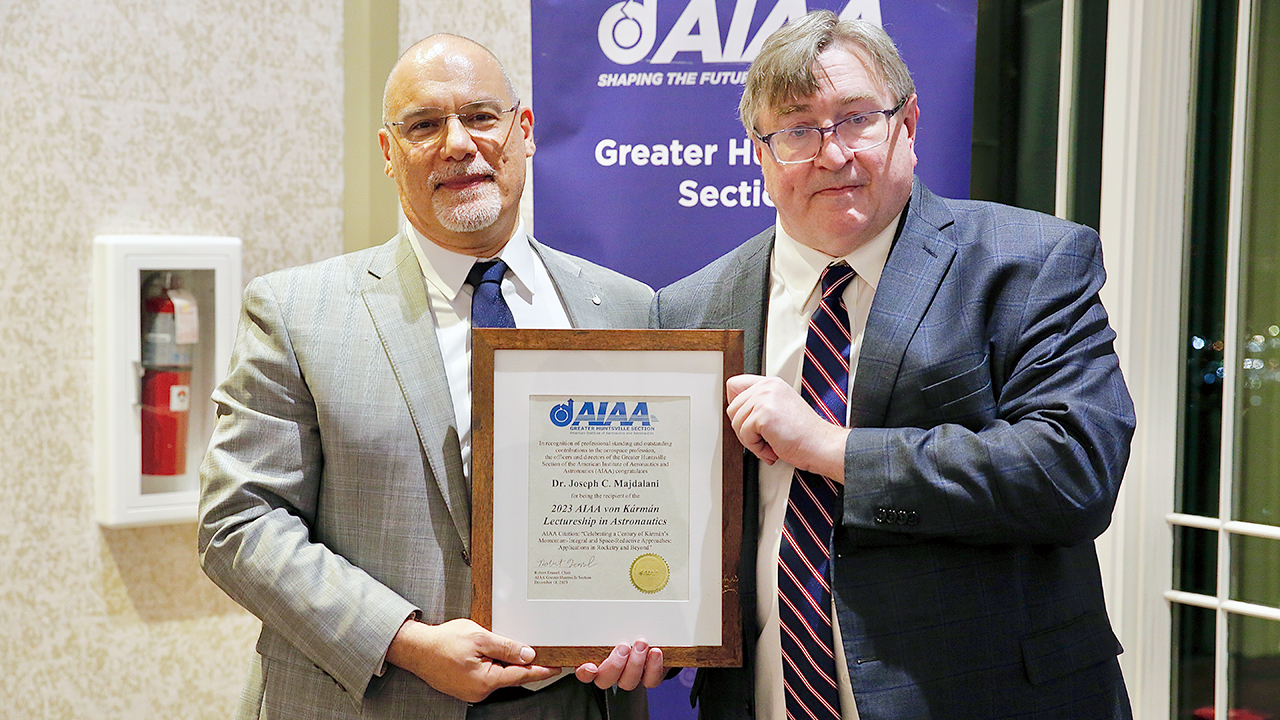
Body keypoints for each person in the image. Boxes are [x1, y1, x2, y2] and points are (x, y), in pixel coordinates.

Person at [651, 11, 1135, 720]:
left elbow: (1073, 472)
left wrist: (831, 449)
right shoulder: (691, 308)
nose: (831, 153)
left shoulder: (1028, 262)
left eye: (855, 119)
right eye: (796, 129)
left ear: (907, 125)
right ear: (761, 152)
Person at [198, 33, 663, 719]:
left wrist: (654, 625)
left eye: (480, 116)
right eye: (423, 125)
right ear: (389, 154)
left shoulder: (628, 307)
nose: (457, 144)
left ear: (524, 131)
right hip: (378, 695)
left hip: (579, 704)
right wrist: (406, 640)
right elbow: (238, 524)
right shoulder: (297, 312)